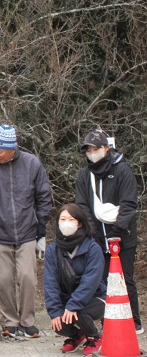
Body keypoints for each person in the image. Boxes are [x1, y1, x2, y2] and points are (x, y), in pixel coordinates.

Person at [0, 125, 52, 339]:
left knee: (28, 278)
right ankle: (10, 321)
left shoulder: (32, 163)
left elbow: (43, 195)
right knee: (3, 279)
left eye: (0, 150)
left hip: (28, 231)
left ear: (12, 149)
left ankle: (28, 321)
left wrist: (41, 224)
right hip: (0, 234)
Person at [74, 130, 142, 333]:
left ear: (106, 148)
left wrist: (118, 230)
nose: (92, 153)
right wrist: (93, 231)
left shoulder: (122, 171)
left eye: (96, 149)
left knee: (125, 278)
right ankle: (108, 320)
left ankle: (134, 320)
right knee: (101, 280)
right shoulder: (84, 175)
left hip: (123, 236)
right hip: (97, 237)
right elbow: (82, 204)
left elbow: (129, 204)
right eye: (89, 150)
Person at [44, 203, 106, 355]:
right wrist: (54, 310)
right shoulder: (53, 250)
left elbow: (91, 281)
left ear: (80, 222)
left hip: (96, 298)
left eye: (71, 219)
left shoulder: (92, 248)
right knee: (58, 323)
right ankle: (77, 335)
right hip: (69, 299)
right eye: (63, 219)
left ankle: (95, 337)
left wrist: (73, 305)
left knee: (78, 312)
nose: (66, 223)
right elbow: (50, 282)